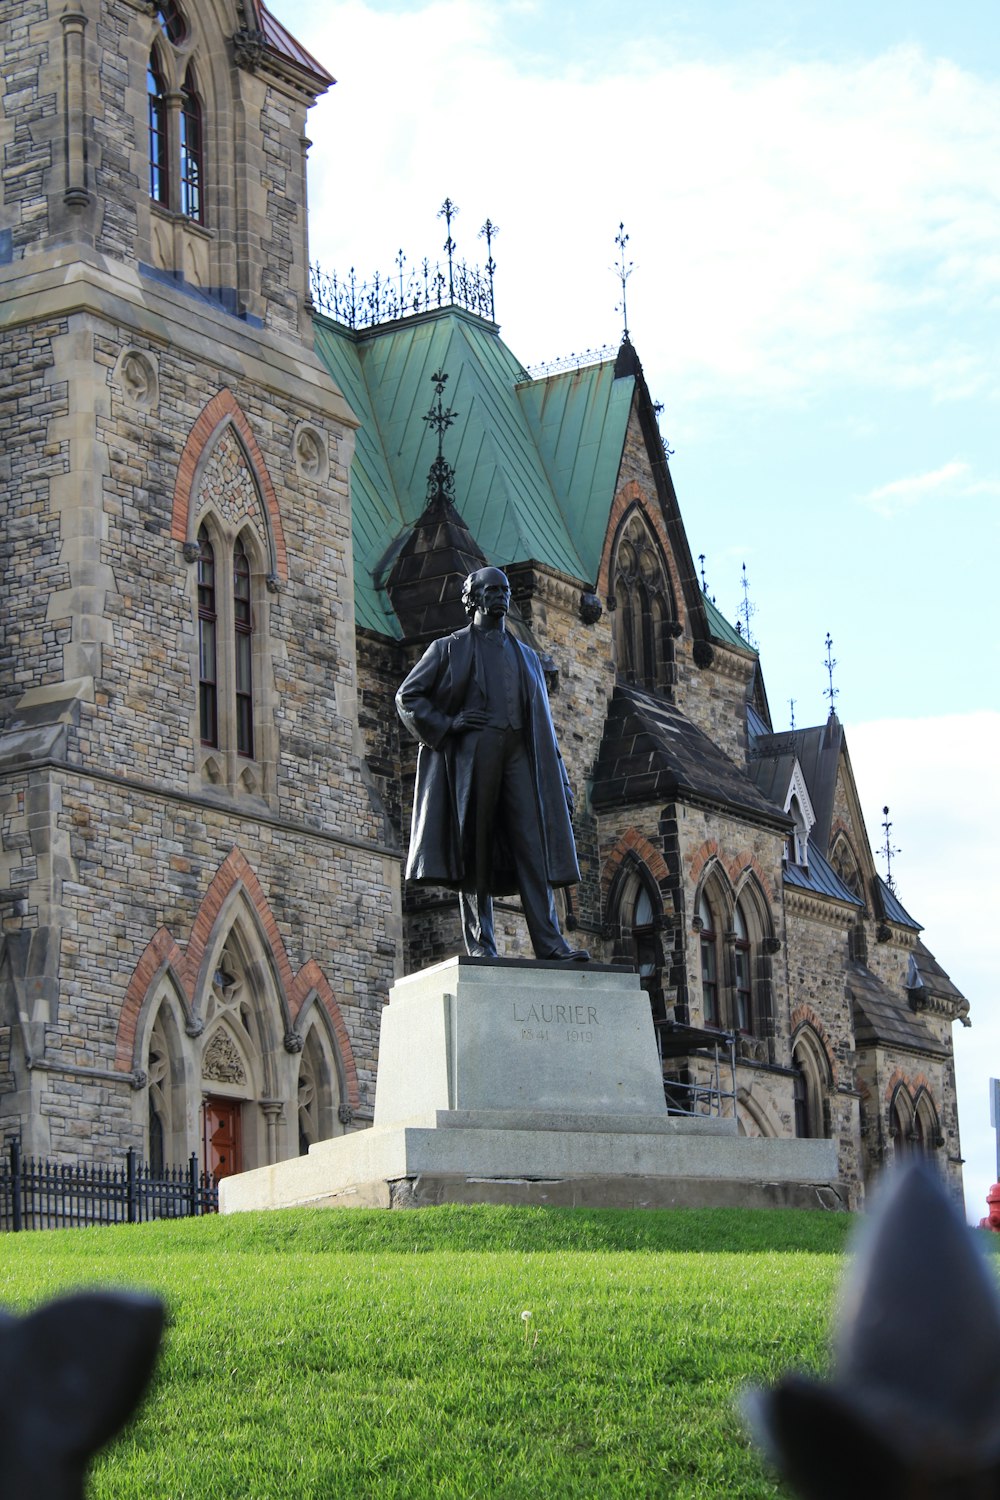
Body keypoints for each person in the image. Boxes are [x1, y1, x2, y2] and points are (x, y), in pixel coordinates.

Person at [396, 567, 589, 961]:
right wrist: (447, 725)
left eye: (504, 590)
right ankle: (481, 945)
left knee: (534, 850)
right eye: (490, 590)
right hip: (474, 758)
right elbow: (407, 696)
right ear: (472, 599)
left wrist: (563, 783)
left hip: (521, 757)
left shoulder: (529, 658)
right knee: (475, 852)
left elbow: (546, 729)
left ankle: (551, 945)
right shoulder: (449, 648)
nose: (500, 595)